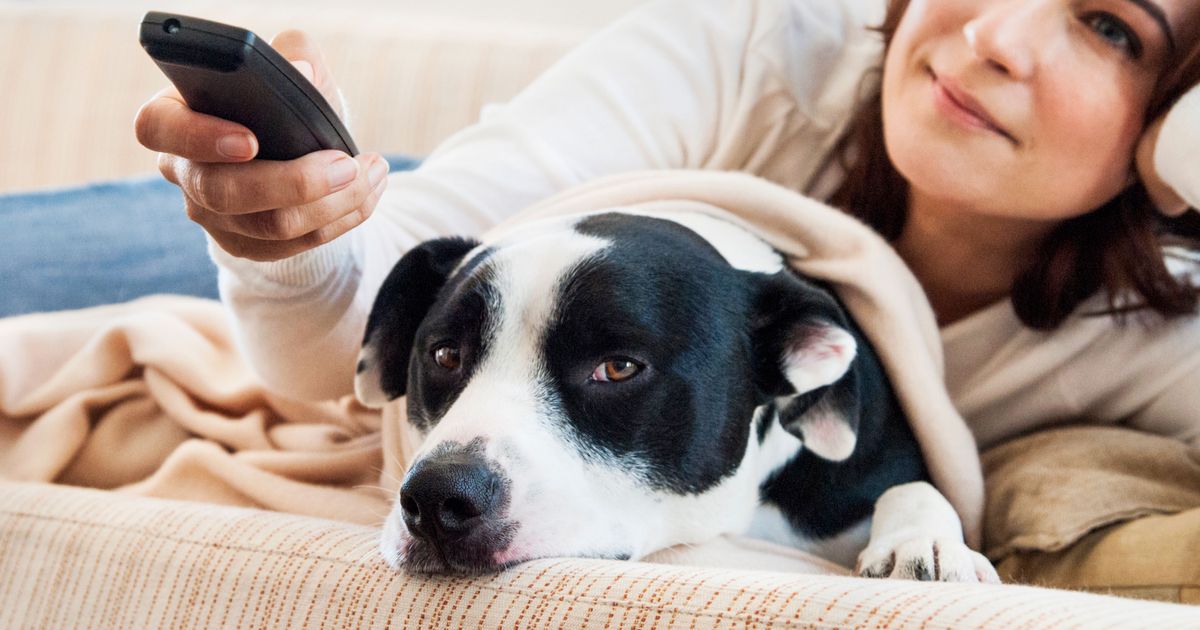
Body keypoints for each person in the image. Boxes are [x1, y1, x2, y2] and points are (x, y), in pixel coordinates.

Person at [134, 0, 1200, 455]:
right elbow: (341, 337)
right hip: (404, 232)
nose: (995, 37)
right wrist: (291, 236)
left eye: (1110, 27)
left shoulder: (1157, 339)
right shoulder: (754, 45)